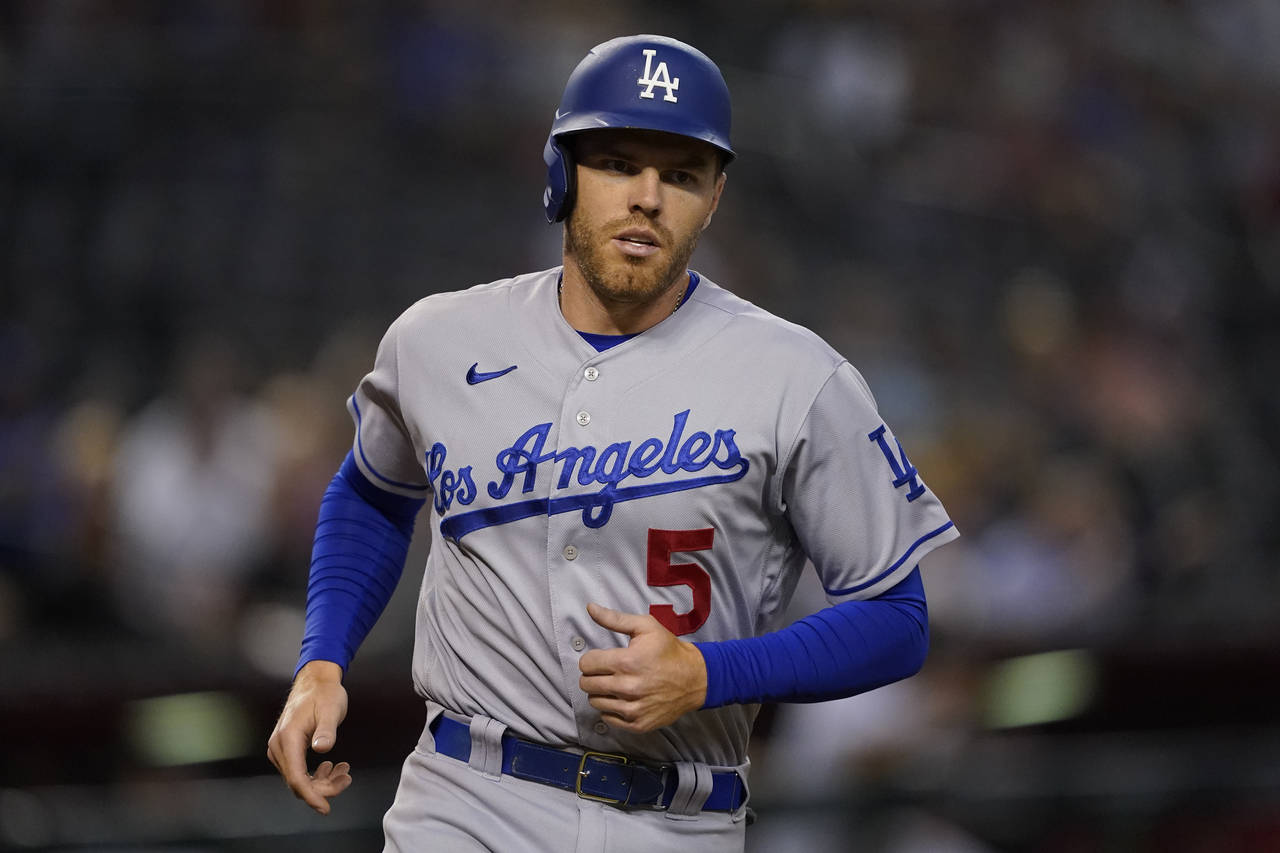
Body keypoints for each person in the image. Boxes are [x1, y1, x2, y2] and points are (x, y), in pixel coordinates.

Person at [267, 34, 959, 852]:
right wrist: (322, 659)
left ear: (715, 197)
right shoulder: (438, 341)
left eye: (681, 174)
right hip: (464, 797)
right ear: (562, 171)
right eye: (618, 162)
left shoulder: (797, 378)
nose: (647, 196)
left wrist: (712, 674)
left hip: (678, 817)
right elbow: (374, 491)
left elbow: (898, 618)